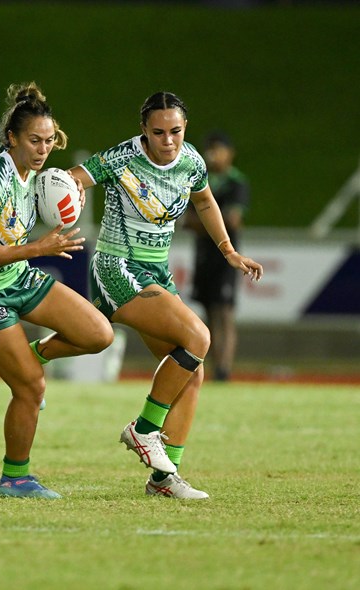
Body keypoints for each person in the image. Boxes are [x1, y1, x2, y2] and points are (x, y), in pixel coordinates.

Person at [68, 92, 263, 499]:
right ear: (144, 130)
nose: (167, 140)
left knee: (193, 373)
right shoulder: (123, 157)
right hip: (116, 267)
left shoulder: (191, 161)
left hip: (155, 271)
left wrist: (228, 251)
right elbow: (76, 176)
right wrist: (72, 190)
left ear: (184, 128)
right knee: (200, 337)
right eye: (158, 132)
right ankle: (142, 430)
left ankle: (163, 479)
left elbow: (205, 200)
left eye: (175, 130)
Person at [0, 82, 114, 500]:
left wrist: (70, 199)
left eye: (50, 141)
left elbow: (56, 196)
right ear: (11, 138)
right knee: (32, 389)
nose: (43, 149)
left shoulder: (37, 174)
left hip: (14, 277)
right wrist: (41, 247)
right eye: (34, 140)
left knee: (98, 334)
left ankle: (29, 360)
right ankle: (14, 479)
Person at [184, 132, 250, 382]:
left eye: (219, 150)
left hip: (225, 256)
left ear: (230, 153)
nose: (214, 155)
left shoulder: (236, 182)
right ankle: (214, 368)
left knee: (225, 310)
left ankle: (224, 368)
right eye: (210, 150)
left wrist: (205, 220)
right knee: (209, 309)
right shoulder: (201, 179)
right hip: (203, 255)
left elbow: (234, 220)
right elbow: (187, 221)